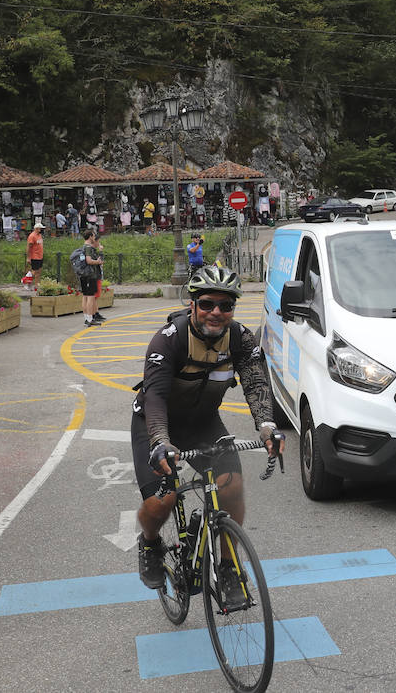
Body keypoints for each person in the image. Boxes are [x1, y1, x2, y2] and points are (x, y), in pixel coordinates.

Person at [131, 267, 284, 594]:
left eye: (225, 306)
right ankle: (149, 542)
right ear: (193, 305)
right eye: (208, 304)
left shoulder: (240, 338)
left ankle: (228, 565)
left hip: (202, 422)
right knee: (164, 500)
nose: (216, 312)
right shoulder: (169, 339)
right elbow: (155, 395)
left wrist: (267, 427)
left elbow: (256, 384)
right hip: (158, 425)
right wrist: (161, 440)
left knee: (231, 486)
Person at [80, 229, 105, 326]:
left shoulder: (83, 247)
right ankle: (89, 319)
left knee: (85, 296)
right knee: (90, 297)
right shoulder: (88, 248)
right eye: (94, 236)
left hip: (83, 274)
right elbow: (89, 261)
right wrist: (98, 262)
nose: (94, 238)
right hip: (90, 275)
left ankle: (87, 318)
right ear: (90, 237)